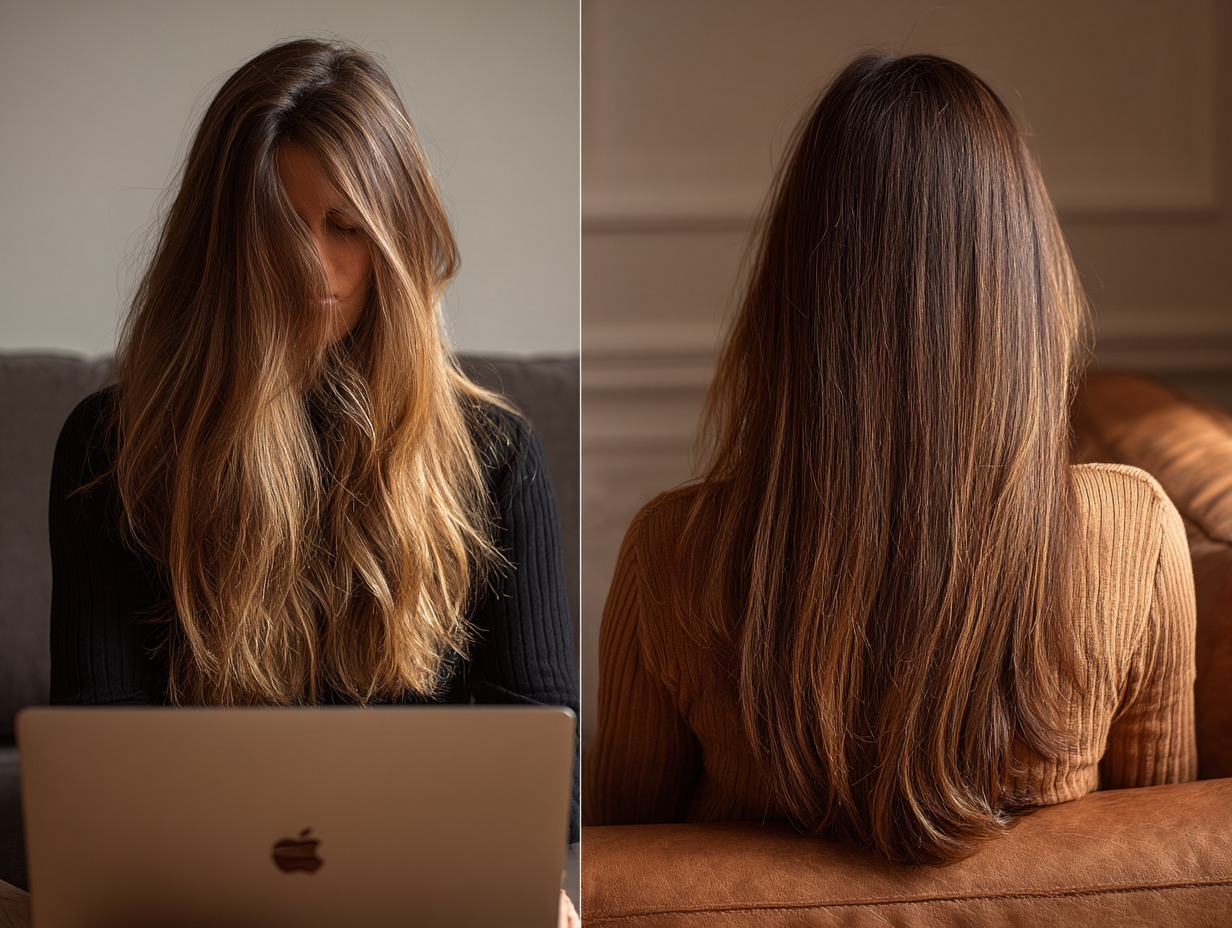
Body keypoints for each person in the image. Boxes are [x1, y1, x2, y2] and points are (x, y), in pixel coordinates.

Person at [583, 54, 1196, 866]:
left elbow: (616, 870)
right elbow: (1167, 866)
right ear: (1027, 285)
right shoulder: (1137, 537)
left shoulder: (670, 557)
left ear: (794, 300)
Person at [48, 38, 579, 921]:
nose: (315, 272)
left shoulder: (497, 458)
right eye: (276, 229)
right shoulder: (111, 447)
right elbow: (104, 765)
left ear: (396, 240)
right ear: (221, 242)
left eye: (346, 227)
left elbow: (544, 783)